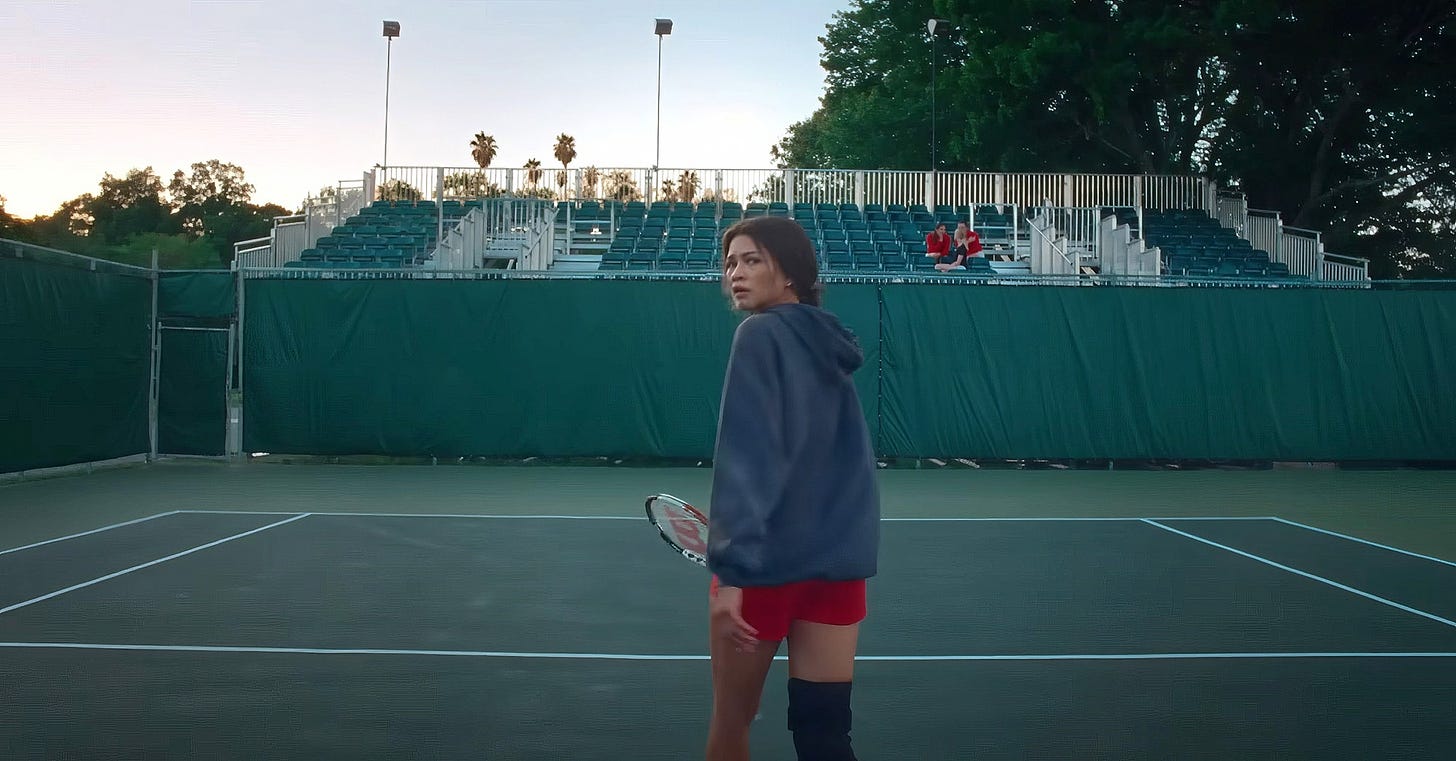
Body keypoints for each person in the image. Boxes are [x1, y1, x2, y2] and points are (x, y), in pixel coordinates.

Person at [706, 215, 881, 761]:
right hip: (837, 568)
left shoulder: (756, 334)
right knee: (825, 736)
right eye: (731, 262)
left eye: (752, 259)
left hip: (762, 569)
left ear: (791, 273)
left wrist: (732, 574)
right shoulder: (831, 342)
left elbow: (747, 457)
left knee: (731, 729)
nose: (736, 272)